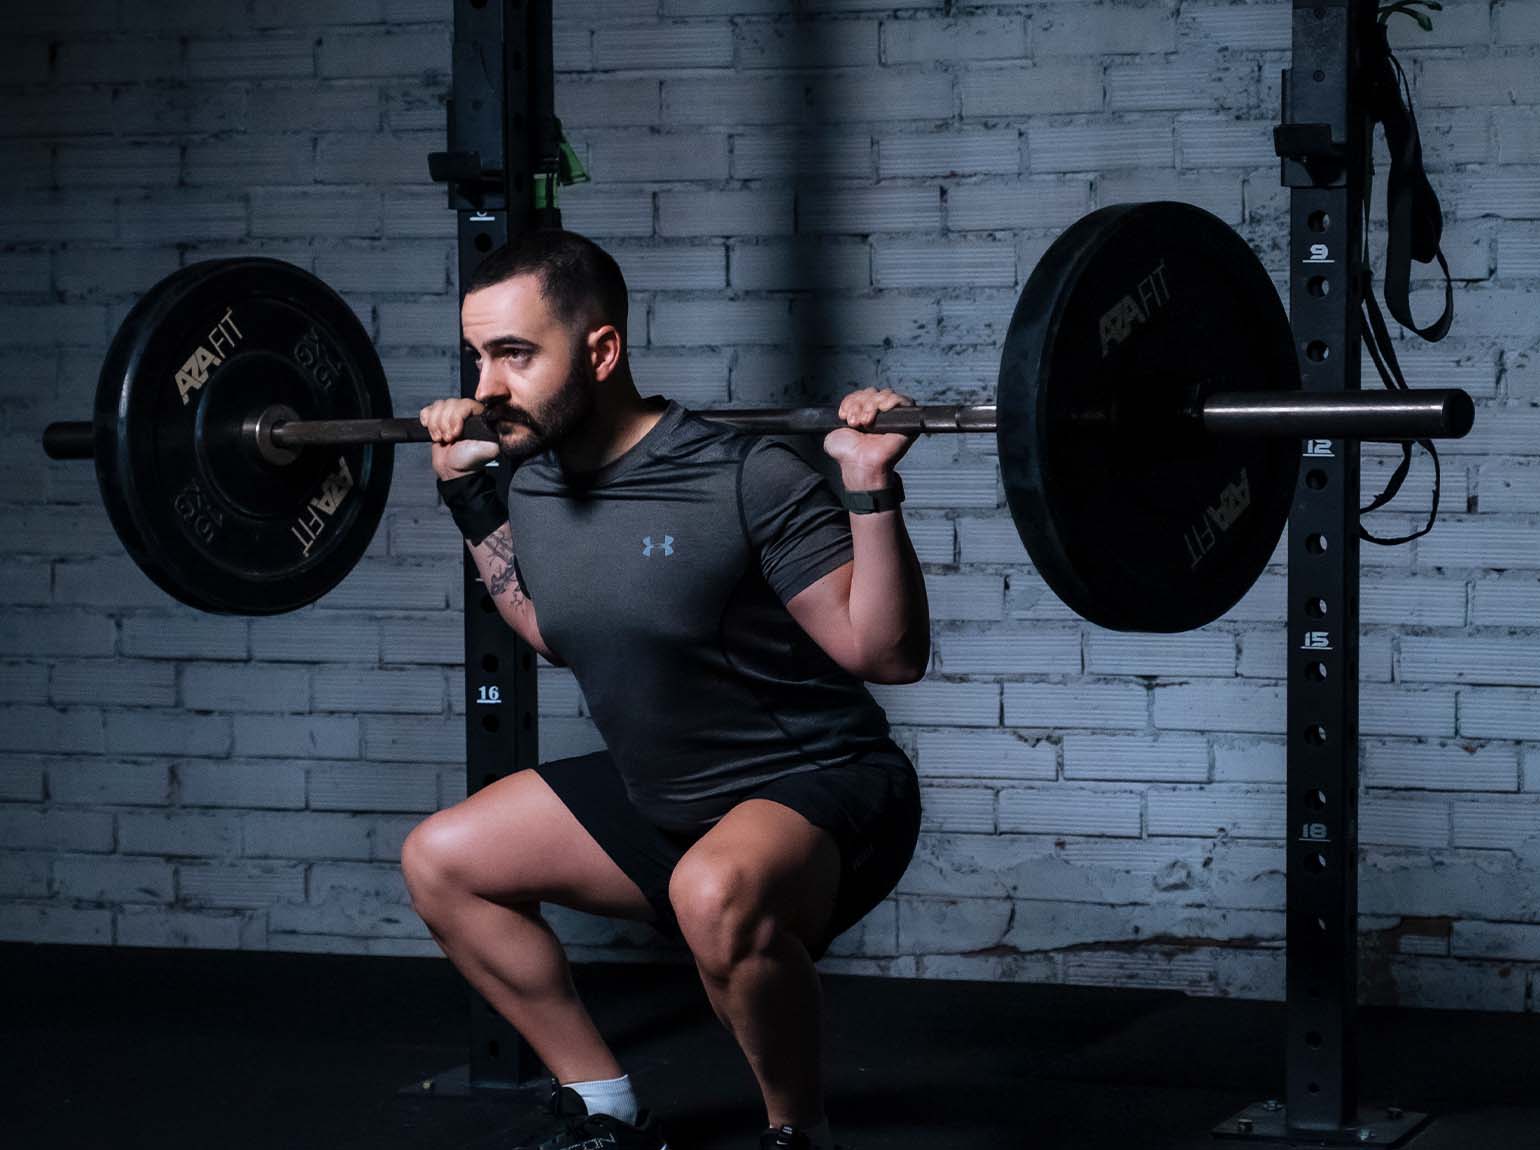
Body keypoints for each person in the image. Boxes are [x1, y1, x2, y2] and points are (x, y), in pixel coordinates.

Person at [402, 229, 929, 1150]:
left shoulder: (743, 475)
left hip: (823, 786)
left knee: (711, 891)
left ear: (601, 352)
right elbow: (550, 632)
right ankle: (605, 1105)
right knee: (443, 860)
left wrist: (869, 487)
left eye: (515, 354)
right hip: (668, 790)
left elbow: (882, 654)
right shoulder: (528, 483)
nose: (484, 386)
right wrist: (469, 501)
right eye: (478, 355)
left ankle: (797, 1132)